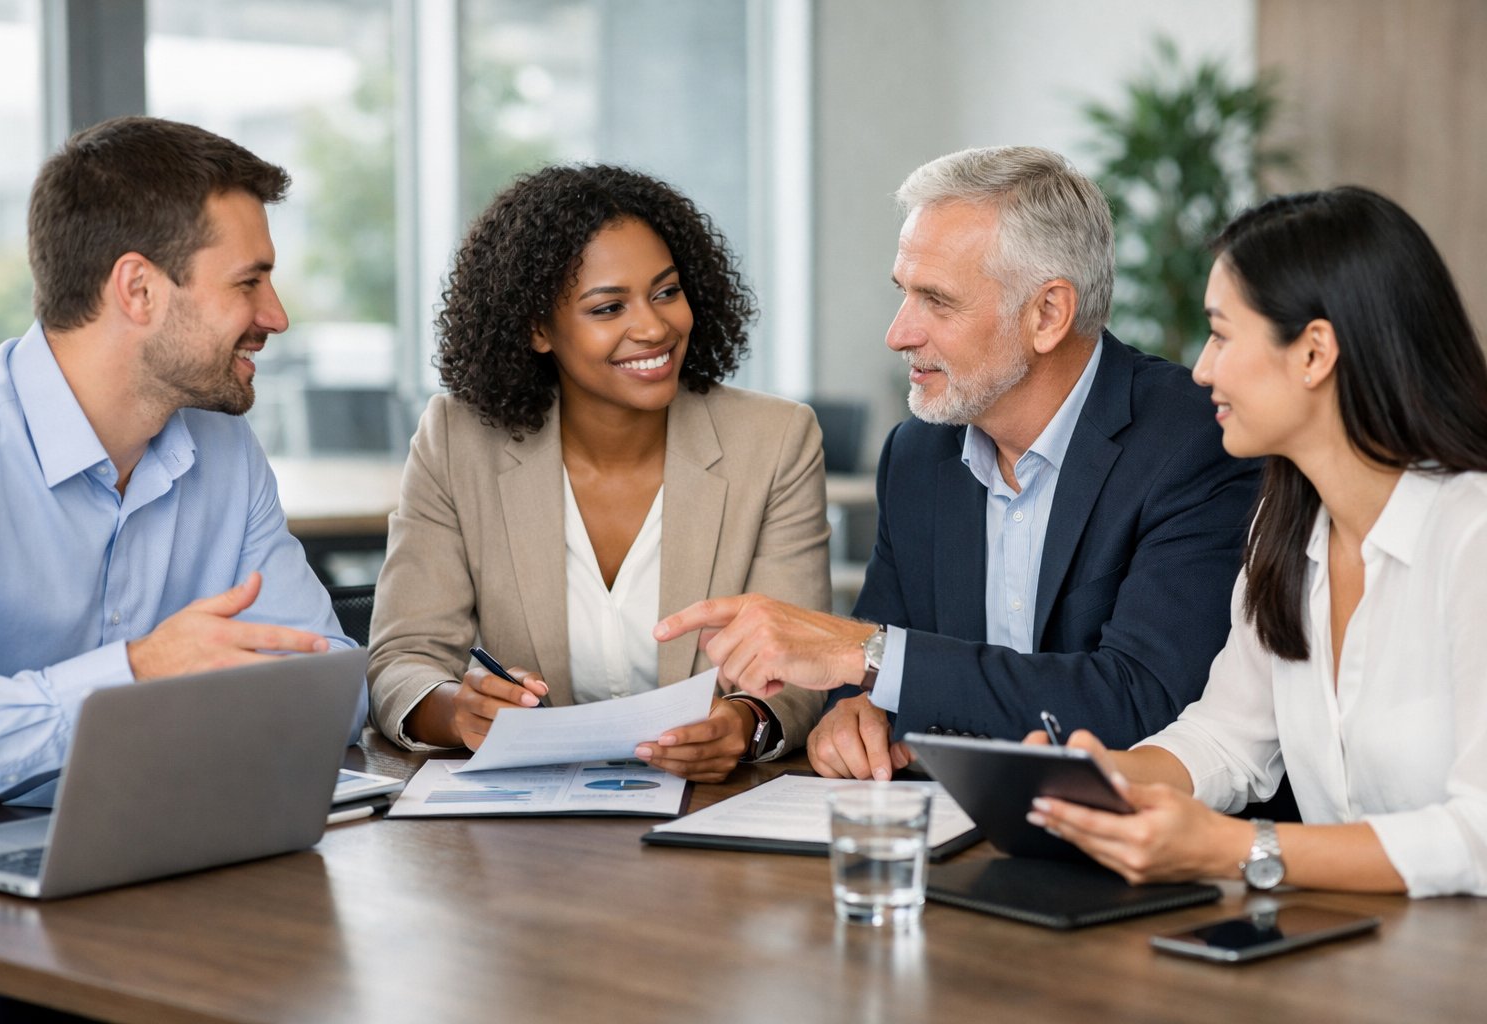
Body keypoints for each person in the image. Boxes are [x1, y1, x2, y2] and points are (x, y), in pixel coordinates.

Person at [655, 145, 1261, 780]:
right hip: (945, 818)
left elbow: (1147, 704)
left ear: (1048, 314)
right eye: (904, 293)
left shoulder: (1195, 440)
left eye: (937, 301)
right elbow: (864, 671)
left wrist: (869, 658)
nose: (898, 334)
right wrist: (852, 714)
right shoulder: (917, 455)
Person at [1027, 187, 1487, 898]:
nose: (1202, 369)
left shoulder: (1470, 535)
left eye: (1221, 335)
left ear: (1314, 352)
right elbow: (1227, 736)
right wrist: (1108, 777)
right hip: (1353, 944)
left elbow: (1478, 833)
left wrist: (1237, 848)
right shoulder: (1287, 524)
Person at [0, 116, 365, 809]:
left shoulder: (227, 451)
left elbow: (332, 690)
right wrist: (136, 673)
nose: (276, 316)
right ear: (138, 289)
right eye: (248, 282)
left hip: (167, 839)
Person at [366, 165, 830, 782]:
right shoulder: (457, 441)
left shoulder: (775, 441)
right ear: (537, 329)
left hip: (708, 805)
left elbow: (798, 666)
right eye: (609, 307)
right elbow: (404, 658)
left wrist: (743, 723)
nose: (654, 327)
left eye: (666, 292)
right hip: (521, 814)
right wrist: (458, 712)